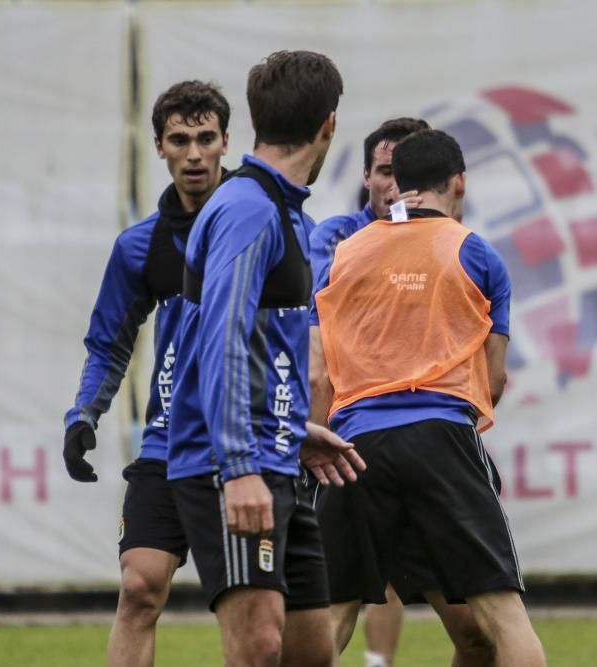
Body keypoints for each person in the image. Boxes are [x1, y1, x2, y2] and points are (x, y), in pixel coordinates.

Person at [310, 129, 547, 667]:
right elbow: (494, 381)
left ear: (400, 185)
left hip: (353, 446)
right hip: (441, 437)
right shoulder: (476, 254)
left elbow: (318, 373)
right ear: (458, 182)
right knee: (502, 621)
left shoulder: (343, 254)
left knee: (330, 620)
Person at [166, 50, 350, 667]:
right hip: (231, 465)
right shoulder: (248, 208)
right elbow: (222, 337)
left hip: (275, 455)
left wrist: (293, 430)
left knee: (310, 652)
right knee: (260, 649)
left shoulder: (285, 209)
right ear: (329, 123)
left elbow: (265, 348)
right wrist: (239, 465)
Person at [62, 80, 232, 667]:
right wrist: (85, 412)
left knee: (258, 621)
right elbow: (108, 344)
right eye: (179, 139)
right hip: (169, 443)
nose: (193, 153)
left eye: (205, 138)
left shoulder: (265, 226)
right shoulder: (140, 247)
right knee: (138, 589)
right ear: (158, 146)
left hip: (250, 448)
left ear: (225, 143)